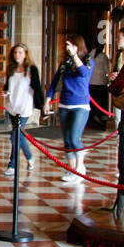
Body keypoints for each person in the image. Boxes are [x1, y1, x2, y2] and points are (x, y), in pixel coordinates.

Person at [47, 34, 92, 183]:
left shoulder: (88, 61)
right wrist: (48, 100)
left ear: (78, 47)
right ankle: (71, 170)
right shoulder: (64, 64)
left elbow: (84, 74)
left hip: (80, 105)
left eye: (71, 45)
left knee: (74, 137)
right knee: (67, 140)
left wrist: (74, 56)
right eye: (67, 46)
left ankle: (80, 168)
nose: (68, 48)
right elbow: (55, 82)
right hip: (65, 104)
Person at [4, 43, 42, 176]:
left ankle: (12, 165)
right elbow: (8, 85)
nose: (17, 55)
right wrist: (5, 92)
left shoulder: (32, 70)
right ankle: (30, 157)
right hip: (13, 105)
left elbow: (37, 87)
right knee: (19, 135)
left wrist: (43, 106)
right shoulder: (11, 69)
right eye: (15, 52)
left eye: (20, 52)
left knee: (15, 135)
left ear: (25, 54)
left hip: (25, 105)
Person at [89, 44, 110, 129]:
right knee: (100, 101)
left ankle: (94, 117)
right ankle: (99, 117)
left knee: (93, 101)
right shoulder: (103, 57)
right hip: (101, 82)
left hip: (91, 81)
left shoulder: (91, 54)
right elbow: (107, 69)